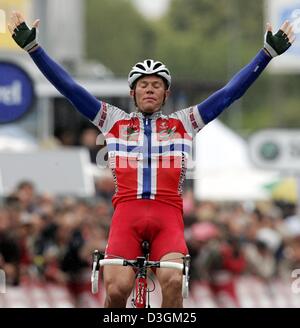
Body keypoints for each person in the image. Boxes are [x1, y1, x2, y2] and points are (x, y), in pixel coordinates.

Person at [7, 11, 295, 308]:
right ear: (133, 92)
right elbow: (70, 88)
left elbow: (229, 94)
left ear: (165, 93)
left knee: (172, 282)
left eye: (156, 85)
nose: (149, 89)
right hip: (126, 215)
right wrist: (34, 50)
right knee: (117, 290)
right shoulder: (112, 121)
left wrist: (266, 54)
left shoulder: (185, 122)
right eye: (143, 85)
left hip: (167, 214)